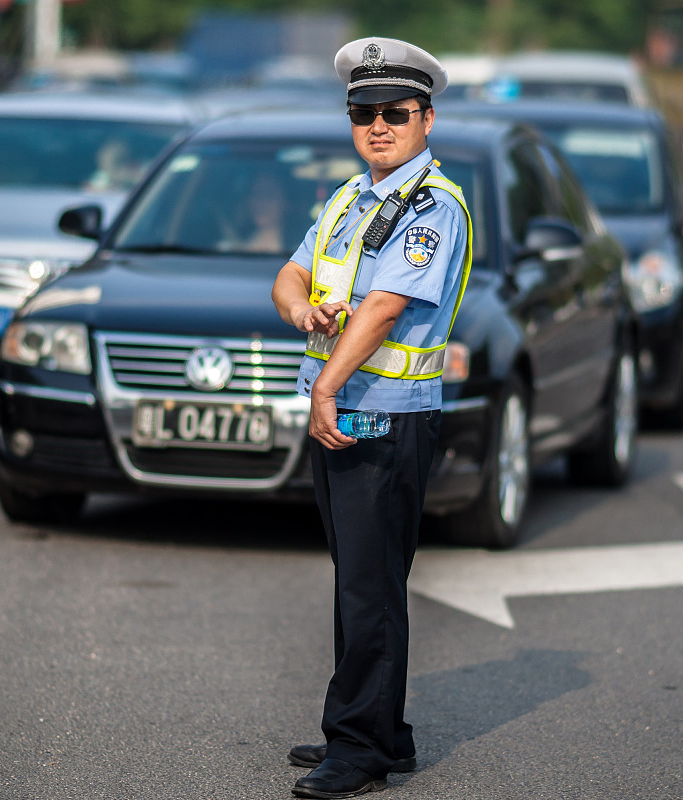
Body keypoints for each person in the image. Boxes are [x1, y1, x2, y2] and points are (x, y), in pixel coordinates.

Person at [271, 36, 472, 799]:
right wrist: (303, 309)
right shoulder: (352, 198)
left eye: (395, 112)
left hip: (383, 417)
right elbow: (291, 274)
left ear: (425, 118)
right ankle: (376, 730)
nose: (377, 125)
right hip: (347, 412)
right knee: (361, 578)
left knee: (369, 584)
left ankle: (357, 750)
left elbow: (386, 306)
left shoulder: (431, 208)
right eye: (363, 112)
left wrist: (326, 387)